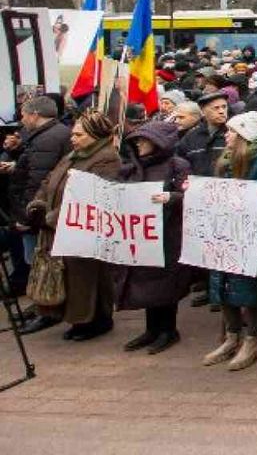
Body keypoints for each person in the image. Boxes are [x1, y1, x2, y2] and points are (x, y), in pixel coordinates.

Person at [25, 109, 121, 342]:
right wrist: (38, 203)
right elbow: (49, 180)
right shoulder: (73, 155)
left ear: (95, 135)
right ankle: (71, 315)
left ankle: (96, 320)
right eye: (74, 134)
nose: (73, 138)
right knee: (66, 275)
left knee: (87, 278)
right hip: (59, 226)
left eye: (79, 135)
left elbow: (94, 194)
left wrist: (53, 218)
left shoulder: (107, 158)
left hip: (83, 228)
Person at [202, 110, 257, 369]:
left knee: (249, 287)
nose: (227, 134)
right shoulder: (226, 158)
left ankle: (251, 340)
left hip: (248, 234)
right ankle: (231, 336)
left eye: (233, 131)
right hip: (224, 231)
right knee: (222, 283)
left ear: (245, 134)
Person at [115, 120, 191, 354]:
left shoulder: (177, 165)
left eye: (143, 140)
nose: (138, 144)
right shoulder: (133, 167)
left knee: (165, 284)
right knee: (146, 284)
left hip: (168, 234)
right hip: (142, 237)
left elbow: (191, 196)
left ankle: (168, 330)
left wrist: (171, 198)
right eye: (136, 140)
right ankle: (152, 330)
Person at [12, 96, 71, 334]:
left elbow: (38, 180)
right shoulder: (50, 134)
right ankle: (41, 304)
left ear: (35, 114)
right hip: (44, 211)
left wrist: (27, 216)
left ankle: (47, 308)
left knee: (41, 261)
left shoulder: (48, 138)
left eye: (24, 114)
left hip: (39, 212)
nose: (22, 119)